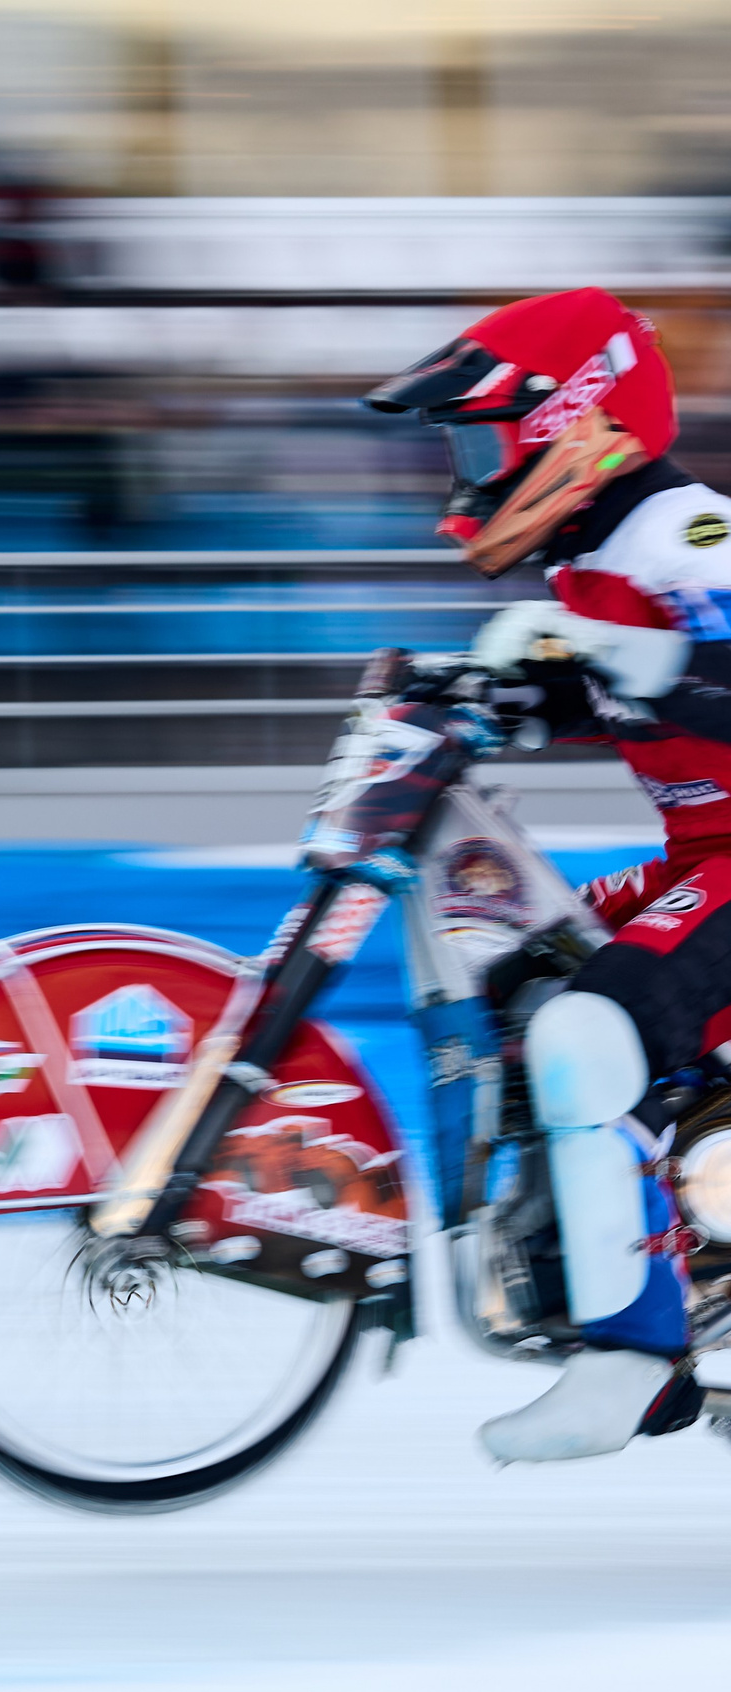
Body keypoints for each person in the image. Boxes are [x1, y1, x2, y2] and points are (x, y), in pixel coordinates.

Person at [368, 287, 731, 1462]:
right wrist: (477, 694)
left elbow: (700, 676)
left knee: (584, 1034)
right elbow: (608, 686)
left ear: (573, 422)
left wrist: (607, 656)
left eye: (476, 446)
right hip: (708, 859)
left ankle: (634, 1363)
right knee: (530, 979)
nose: (458, 488)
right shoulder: (590, 568)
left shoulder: (686, 535)